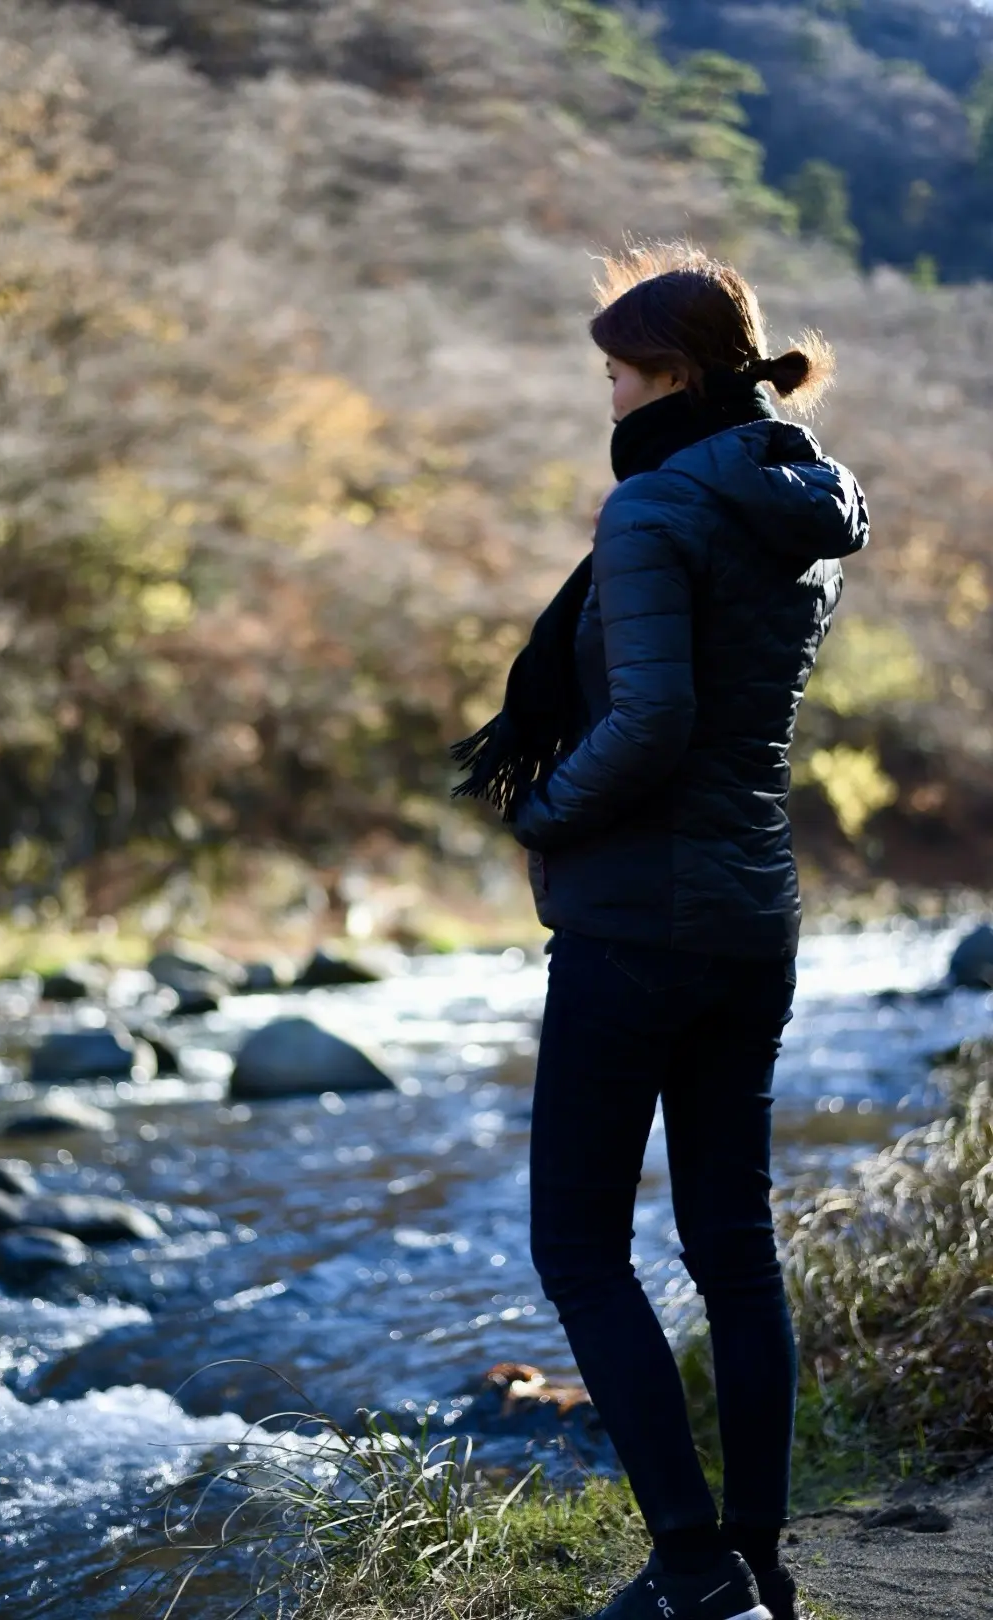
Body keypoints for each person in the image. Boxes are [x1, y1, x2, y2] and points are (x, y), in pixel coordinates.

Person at [451, 244, 869, 1620]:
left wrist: (541, 820)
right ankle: (758, 1563)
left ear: (675, 375)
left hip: (636, 923)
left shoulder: (652, 512)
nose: (609, 398)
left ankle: (693, 1572)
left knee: (578, 1248)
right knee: (732, 1248)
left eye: (620, 373)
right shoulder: (799, 507)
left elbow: (651, 724)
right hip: (754, 917)